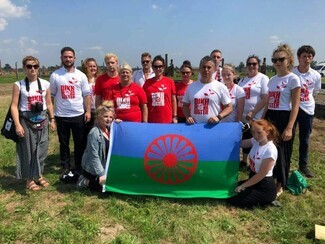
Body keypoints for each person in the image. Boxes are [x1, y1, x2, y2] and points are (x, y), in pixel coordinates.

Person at [10, 56, 56, 191]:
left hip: (42, 119)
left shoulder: (45, 84)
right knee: (28, 150)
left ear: (38, 68)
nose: (32, 69)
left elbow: (49, 103)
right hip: (26, 120)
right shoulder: (19, 85)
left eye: (35, 66)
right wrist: (17, 124)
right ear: (24, 68)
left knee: (42, 149)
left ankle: (39, 174)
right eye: (29, 66)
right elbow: (14, 106)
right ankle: (29, 179)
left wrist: (52, 119)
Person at [50, 46, 92, 182]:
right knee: (64, 143)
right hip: (61, 115)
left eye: (70, 57)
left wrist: (88, 111)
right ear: (61, 58)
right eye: (65, 57)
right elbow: (51, 96)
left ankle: (79, 167)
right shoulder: (55, 75)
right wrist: (51, 115)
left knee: (79, 143)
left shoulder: (81, 75)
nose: (68, 59)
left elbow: (87, 95)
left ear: (74, 58)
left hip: (78, 114)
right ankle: (65, 166)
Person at [265, 44, 300, 196]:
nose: (278, 62)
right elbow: (268, 102)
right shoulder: (272, 80)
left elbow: (296, 106)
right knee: (269, 149)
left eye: (281, 59)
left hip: (284, 116)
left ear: (289, 60)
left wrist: (289, 127)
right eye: (275, 60)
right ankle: (270, 178)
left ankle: (280, 183)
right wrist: (261, 119)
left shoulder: (293, 79)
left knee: (282, 151)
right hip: (270, 116)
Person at [228, 119, 279, 208]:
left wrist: (243, 185)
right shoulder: (256, 141)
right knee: (230, 189)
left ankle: (268, 200)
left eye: (259, 132)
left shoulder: (270, 150)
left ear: (267, 132)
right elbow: (241, 144)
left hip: (264, 186)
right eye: (253, 132)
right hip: (253, 179)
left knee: (233, 200)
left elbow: (261, 175)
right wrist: (227, 141)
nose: (256, 135)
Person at [292, 45, 322, 178]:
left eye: (309, 56)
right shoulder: (292, 73)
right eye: (304, 56)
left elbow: (315, 92)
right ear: (299, 57)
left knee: (304, 138)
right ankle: (284, 162)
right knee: (288, 136)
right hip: (292, 108)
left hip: (307, 109)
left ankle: (303, 165)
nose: (307, 59)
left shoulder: (315, 75)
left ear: (313, 58)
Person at [238, 55, 269, 167]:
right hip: (243, 116)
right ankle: (244, 161)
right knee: (246, 137)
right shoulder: (242, 80)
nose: (252, 66)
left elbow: (265, 98)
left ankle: (255, 162)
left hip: (255, 116)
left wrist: (253, 112)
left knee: (256, 138)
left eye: (254, 64)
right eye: (249, 64)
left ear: (258, 66)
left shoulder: (263, 78)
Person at [182, 55, 232, 124]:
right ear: (199, 69)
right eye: (203, 67)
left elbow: (229, 107)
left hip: (212, 127)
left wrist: (219, 117)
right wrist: (188, 117)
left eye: (209, 67)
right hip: (194, 127)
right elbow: (185, 105)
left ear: (214, 69)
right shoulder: (191, 87)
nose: (206, 70)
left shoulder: (220, 87)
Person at [77, 101, 115, 191]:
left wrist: (118, 124)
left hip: (104, 164)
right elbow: (93, 156)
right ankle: (84, 181)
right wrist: (101, 174)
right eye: (105, 116)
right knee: (106, 189)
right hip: (92, 168)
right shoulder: (94, 133)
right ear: (98, 117)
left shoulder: (111, 129)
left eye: (111, 117)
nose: (108, 119)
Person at [143, 55, 178, 123]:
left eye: (160, 66)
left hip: (167, 119)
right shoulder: (147, 83)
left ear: (163, 67)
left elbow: (173, 100)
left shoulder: (170, 82)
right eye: (155, 67)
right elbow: (144, 103)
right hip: (152, 120)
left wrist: (174, 116)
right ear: (152, 68)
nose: (158, 68)